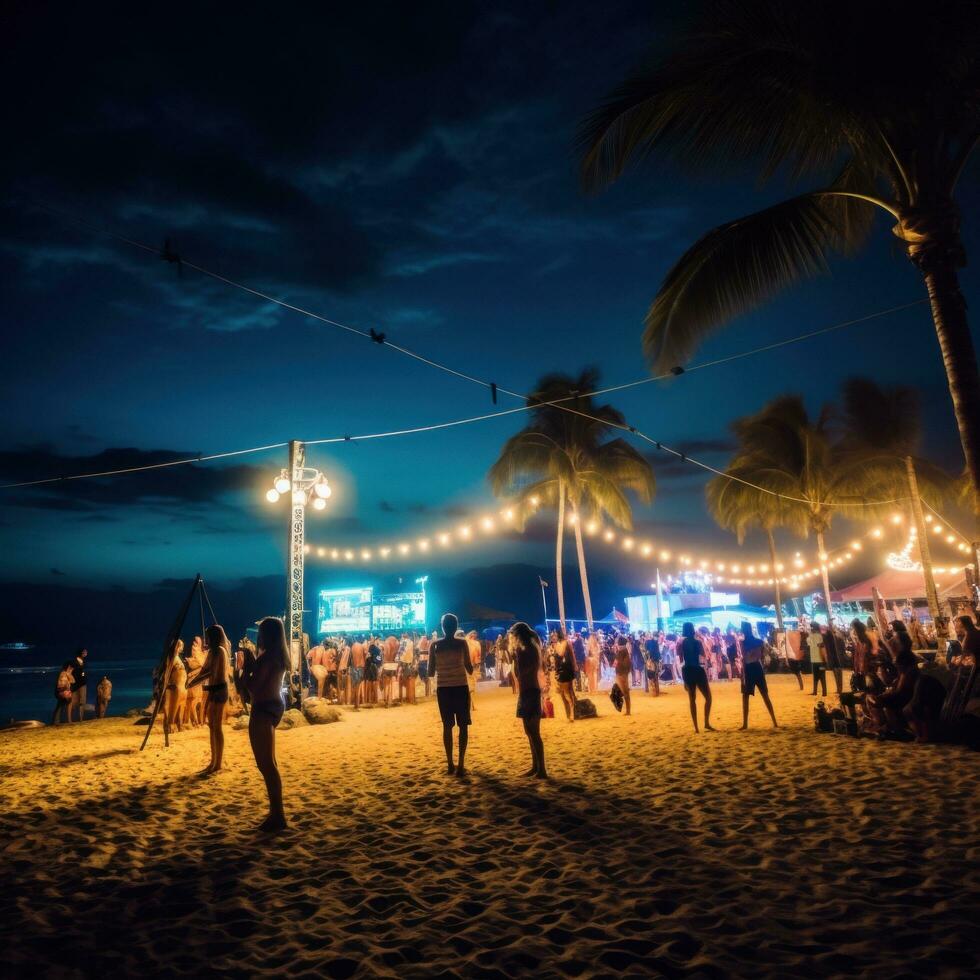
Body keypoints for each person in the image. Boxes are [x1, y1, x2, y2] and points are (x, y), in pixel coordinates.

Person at [245, 617, 290, 831]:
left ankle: (277, 815)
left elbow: (253, 686)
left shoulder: (268, 658)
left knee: (267, 765)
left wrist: (246, 670)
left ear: (266, 635)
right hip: (274, 707)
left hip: (262, 709)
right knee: (270, 764)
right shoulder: (279, 656)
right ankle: (276, 812)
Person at [428, 613, 473, 777]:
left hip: (444, 689)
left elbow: (430, 672)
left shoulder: (434, 645)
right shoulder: (462, 644)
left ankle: (449, 764)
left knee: (447, 726)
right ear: (456, 627)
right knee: (463, 726)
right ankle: (461, 764)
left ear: (442, 627)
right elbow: (469, 668)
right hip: (461, 687)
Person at [188, 624, 232, 775]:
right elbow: (205, 670)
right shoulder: (213, 651)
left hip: (219, 690)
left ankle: (217, 763)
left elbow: (210, 672)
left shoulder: (219, 651)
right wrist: (193, 682)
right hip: (213, 689)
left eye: (208, 636)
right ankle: (213, 761)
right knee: (211, 726)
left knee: (217, 726)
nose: (206, 639)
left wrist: (195, 681)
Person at [511, 622, 548, 779]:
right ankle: (535, 766)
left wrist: (516, 659)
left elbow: (522, 671)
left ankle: (541, 769)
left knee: (534, 732)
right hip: (527, 690)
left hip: (530, 690)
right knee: (529, 731)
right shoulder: (528, 648)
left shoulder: (529, 649)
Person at [739, 622, 778, 729]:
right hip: (758, 667)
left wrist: (742, 675)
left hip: (749, 668)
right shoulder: (759, 641)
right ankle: (774, 721)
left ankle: (745, 724)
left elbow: (744, 658)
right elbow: (764, 654)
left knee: (745, 697)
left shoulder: (743, 642)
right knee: (765, 695)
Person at [680, 622, 714, 733]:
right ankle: (706, 722)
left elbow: (681, 659)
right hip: (697, 670)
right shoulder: (697, 642)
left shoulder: (682, 643)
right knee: (708, 697)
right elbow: (705, 655)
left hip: (687, 670)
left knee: (692, 699)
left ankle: (696, 727)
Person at [163, 639, 188, 735]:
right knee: (174, 706)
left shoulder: (178, 658)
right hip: (177, 685)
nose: (182, 648)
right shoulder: (172, 658)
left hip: (183, 686)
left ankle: (179, 724)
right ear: (177, 646)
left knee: (181, 705)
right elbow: (168, 671)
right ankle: (170, 724)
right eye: (181, 646)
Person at [552, 628, 577, 721]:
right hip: (561, 669)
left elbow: (563, 654)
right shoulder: (558, 644)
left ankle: (572, 713)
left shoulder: (564, 643)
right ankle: (570, 714)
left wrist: (575, 665)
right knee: (565, 693)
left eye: (554, 635)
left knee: (567, 692)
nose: (553, 637)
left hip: (565, 669)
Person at [613, 636, 633, 716]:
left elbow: (625, 664)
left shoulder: (623, 652)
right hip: (621, 673)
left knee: (625, 692)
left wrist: (618, 663)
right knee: (624, 692)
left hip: (622, 674)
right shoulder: (621, 652)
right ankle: (627, 710)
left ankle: (628, 711)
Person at [808, 624, 828, 697]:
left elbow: (808, 644)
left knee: (815, 677)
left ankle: (815, 691)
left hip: (814, 660)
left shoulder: (810, 637)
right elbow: (822, 648)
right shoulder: (820, 636)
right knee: (822, 676)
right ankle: (824, 692)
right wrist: (825, 659)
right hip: (821, 661)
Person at [69, 647, 89, 722]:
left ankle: (81, 719)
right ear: (81, 653)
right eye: (84, 652)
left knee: (82, 701)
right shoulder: (74, 662)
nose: (86, 653)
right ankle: (71, 719)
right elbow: (70, 672)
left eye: (86, 652)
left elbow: (83, 672)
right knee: (74, 703)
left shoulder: (84, 662)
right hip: (75, 684)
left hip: (82, 683)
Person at [381, 635, 399, 707]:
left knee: (387, 684)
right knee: (392, 684)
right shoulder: (396, 643)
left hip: (387, 664)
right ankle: (390, 700)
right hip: (393, 665)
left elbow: (386, 654)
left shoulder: (386, 642)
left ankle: (386, 701)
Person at [644, 632, 661, 696]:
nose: (657, 638)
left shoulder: (649, 642)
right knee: (653, 675)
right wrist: (652, 659)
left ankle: (655, 691)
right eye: (656, 636)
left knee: (652, 675)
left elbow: (647, 651)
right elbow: (651, 651)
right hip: (652, 661)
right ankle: (655, 691)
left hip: (651, 660)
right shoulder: (652, 642)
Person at [417, 632, 431, 696]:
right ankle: (427, 693)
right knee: (424, 679)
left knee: (426, 679)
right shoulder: (421, 645)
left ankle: (427, 693)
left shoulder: (428, 643)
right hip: (422, 663)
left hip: (425, 663)